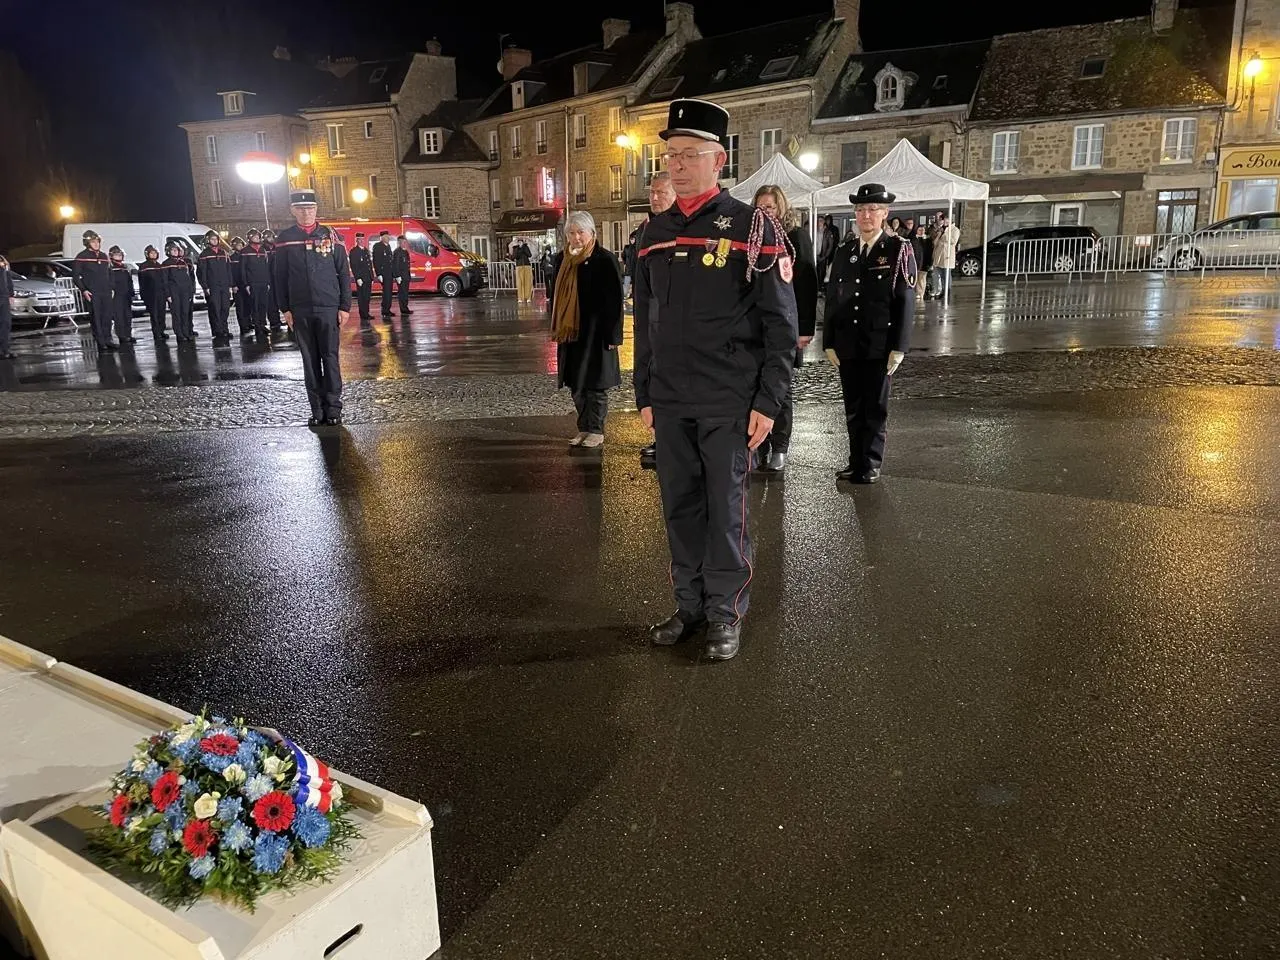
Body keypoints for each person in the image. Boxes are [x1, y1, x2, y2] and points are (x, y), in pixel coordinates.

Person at [633, 98, 797, 662]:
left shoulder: (753, 227)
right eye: (671, 155)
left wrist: (769, 401)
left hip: (729, 398)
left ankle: (725, 612)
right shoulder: (654, 232)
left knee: (727, 512)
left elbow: (781, 326)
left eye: (689, 154)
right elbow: (645, 321)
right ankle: (691, 606)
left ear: (718, 160)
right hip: (671, 398)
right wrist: (645, 392)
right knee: (680, 507)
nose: (677, 165)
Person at [823, 183, 916, 485]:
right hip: (849, 342)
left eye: (873, 209)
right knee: (853, 407)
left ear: (885, 213)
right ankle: (855, 461)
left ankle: (871, 462)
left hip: (879, 343)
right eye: (861, 209)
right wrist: (829, 341)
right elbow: (834, 299)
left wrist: (899, 346)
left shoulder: (897, 250)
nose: (866, 215)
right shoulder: (845, 251)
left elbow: (905, 300)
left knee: (875, 407)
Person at [272, 189, 352, 426]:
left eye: (310, 208)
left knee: (330, 358)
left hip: (328, 306)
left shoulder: (331, 235)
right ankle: (317, 410)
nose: (306, 213)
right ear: (293, 211)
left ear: (316, 209)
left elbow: (343, 272)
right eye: (301, 209)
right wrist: (285, 308)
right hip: (301, 308)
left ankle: (333, 409)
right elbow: (279, 276)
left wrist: (344, 306)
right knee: (310, 361)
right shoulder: (285, 238)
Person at [752, 184, 816, 473]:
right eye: (760, 207)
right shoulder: (752, 238)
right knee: (756, 386)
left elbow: (806, 282)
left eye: (770, 207)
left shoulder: (795, 237)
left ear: (781, 208)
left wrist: (804, 329)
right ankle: (759, 445)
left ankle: (780, 447)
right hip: (757, 327)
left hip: (785, 325)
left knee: (781, 388)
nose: (765, 212)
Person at [549, 211, 624, 449]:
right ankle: (583, 427)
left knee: (595, 385)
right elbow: (555, 296)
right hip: (571, 332)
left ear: (592, 233)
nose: (576, 237)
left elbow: (615, 299)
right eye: (571, 233)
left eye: (580, 232)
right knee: (576, 384)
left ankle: (596, 430)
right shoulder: (562, 259)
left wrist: (613, 335)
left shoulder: (605, 259)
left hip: (596, 333)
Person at [626, 171, 678, 469]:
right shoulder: (646, 229)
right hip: (649, 315)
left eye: (661, 193)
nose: (655, 198)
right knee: (652, 377)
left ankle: (671, 440)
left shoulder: (680, 227)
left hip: (672, 320)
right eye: (652, 193)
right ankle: (661, 436)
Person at [72, 229, 116, 352]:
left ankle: (108, 339)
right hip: (92, 292)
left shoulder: (104, 256)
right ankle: (100, 342)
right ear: (87, 243)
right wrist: (84, 290)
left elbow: (110, 272)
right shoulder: (81, 257)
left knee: (107, 316)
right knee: (96, 317)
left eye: (97, 241)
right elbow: (75, 276)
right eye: (93, 242)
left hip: (106, 291)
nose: (96, 244)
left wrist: (111, 287)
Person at [197, 231, 233, 344]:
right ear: (208, 240)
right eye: (212, 239)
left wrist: (230, 285)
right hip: (212, 286)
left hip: (224, 285)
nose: (214, 241)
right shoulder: (204, 254)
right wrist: (205, 286)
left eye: (216, 239)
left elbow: (228, 270)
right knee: (215, 309)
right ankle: (217, 331)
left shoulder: (223, 253)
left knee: (225, 308)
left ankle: (224, 329)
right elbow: (201, 272)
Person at [161, 240, 197, 342]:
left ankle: (186, 332)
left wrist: (190, 292)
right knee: (177, 313)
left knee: (185, 312)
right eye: (173, 250)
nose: (175, 252)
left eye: (176, 250)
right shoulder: (166, 264)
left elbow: (188, 278)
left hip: (185, 291)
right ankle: (179, 334)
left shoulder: (183, 263)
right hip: (174, 292)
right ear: (168, 251)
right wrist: (168, 294)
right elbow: (164, 280)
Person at [241, 229, 271, 337]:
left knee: (263, 304)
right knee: (255, 305)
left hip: (263, 282)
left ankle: (263, 324)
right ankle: (257, 326)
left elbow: (266, 267)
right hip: (252, 283)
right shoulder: (245, 251)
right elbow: (243, 269)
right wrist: (246, 284)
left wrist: (268, 281)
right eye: (255, 237)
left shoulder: (263, 250)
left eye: (258, 236)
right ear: (250, 238)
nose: (257, 238)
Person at [137, 245, 168, 341]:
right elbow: (142, 282)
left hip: (161, 293)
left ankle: (162, 330)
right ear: (147, 254)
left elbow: (164, 280)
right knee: (154, 314)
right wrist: (143, 295)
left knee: (161, 313)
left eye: (155, 253)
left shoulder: (159, 266)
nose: (153, 255)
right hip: (151, 294)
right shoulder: (144, 266)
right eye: (151, 253)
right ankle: (156, 332)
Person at [107, 245, 136, 345]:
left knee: (127, 315)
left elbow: (129, 281)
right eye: (116, 255)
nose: (119, 256)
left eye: (120, 255)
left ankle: (128, 334)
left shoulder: (124, 267)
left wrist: (131, 292)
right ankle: (121, 335)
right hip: (117, 295)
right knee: (119, 316)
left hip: (126, 295)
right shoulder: (110, 268)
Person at [928, 212, 960, 300]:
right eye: (943, 220)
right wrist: (939, 234)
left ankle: (947, 292)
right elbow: (935, 242)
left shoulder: (955, 230)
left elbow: (953, 241)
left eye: (946, 220)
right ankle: (942, 291)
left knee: (946, 275)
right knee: (940, 275)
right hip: (939, 255)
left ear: (950, 220)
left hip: (947, 256)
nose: (944, 222)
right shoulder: (941, 229)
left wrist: (945, 233)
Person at [349, 232, 374, 326]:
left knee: (367, 297)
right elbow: (354, 265)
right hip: (361, 278)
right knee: (362, 297)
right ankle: (363, 314)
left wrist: (371, 277)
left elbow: (369, 265)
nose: (362, 241)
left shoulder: (365, 250)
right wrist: (358, 277)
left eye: (363, 239)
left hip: (368, 278)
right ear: (357, 240)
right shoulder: (354, 251)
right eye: (360, 240)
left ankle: (366, 313)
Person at [229, 236, 252, 338]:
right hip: (237, 286)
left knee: (248, 305)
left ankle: (249, 323)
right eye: (237, 245)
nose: (240, 246)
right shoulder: (231, 258)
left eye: (241, 245)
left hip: (246, 285)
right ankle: (243, 326)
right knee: (240, 307)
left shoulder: (245, 256)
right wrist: (233, 285)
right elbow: (230, 273)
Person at [261, 229, 283, 331]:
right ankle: (274, 321)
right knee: (271, 301)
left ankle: (279, 319)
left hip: (277, 276)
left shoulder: (276, 248)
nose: (271, 239)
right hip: (268, 277)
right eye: (269, 237)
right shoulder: (262, 249)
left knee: (279, 298)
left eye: (272, 237)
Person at [373, 230, 394, 320]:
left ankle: (387, 309)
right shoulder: (378, 246)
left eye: (388, 236)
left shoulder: (388, 246)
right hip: (384, 273)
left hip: (389, 273)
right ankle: (385, 310)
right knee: (386, 292)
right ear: (381, 238)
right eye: (386, 237)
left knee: (389, 292)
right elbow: (376, 261)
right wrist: (379, 274)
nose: (388, 238)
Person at [392, 235, 412, 315]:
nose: (404, 243)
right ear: (399, 242)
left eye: (404, 242)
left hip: (406, 275)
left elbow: (407, 265)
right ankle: (403, 309)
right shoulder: (397, 252)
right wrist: (397, 276)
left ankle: (405, 307)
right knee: (402, 293)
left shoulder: (405, 251)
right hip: (401, 276)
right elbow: (395, 265)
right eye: (402, 242)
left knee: (405, 293)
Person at [818, 214, 840, 285]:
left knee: (823, 270)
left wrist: (825, 256)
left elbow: (831, 245)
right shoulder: (814, 231)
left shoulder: (829, 231)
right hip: (816, 255)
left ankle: (822, 285)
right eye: (818, 221)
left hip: (827, 253)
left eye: (821, 221)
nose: (819, 222)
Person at [0, 255, 14, 360]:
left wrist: (11, 294)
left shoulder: (4, 268)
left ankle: (5, 349)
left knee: (5, 323)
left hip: (4, 297)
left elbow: (8, 280)